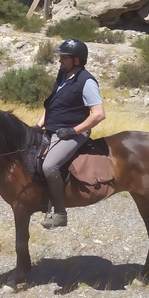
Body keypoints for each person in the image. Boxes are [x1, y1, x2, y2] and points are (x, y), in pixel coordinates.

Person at [36, 38, 106, 229]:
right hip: (53, 128)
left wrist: (74, 130)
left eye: (64, 58)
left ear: (76, 60)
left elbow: (99, 114)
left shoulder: (87, 81)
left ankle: (60, 214)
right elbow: (52, 105)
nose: (60, 61)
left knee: (49, 166)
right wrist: (38, 124)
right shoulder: (62, 76)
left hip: (73, 132)